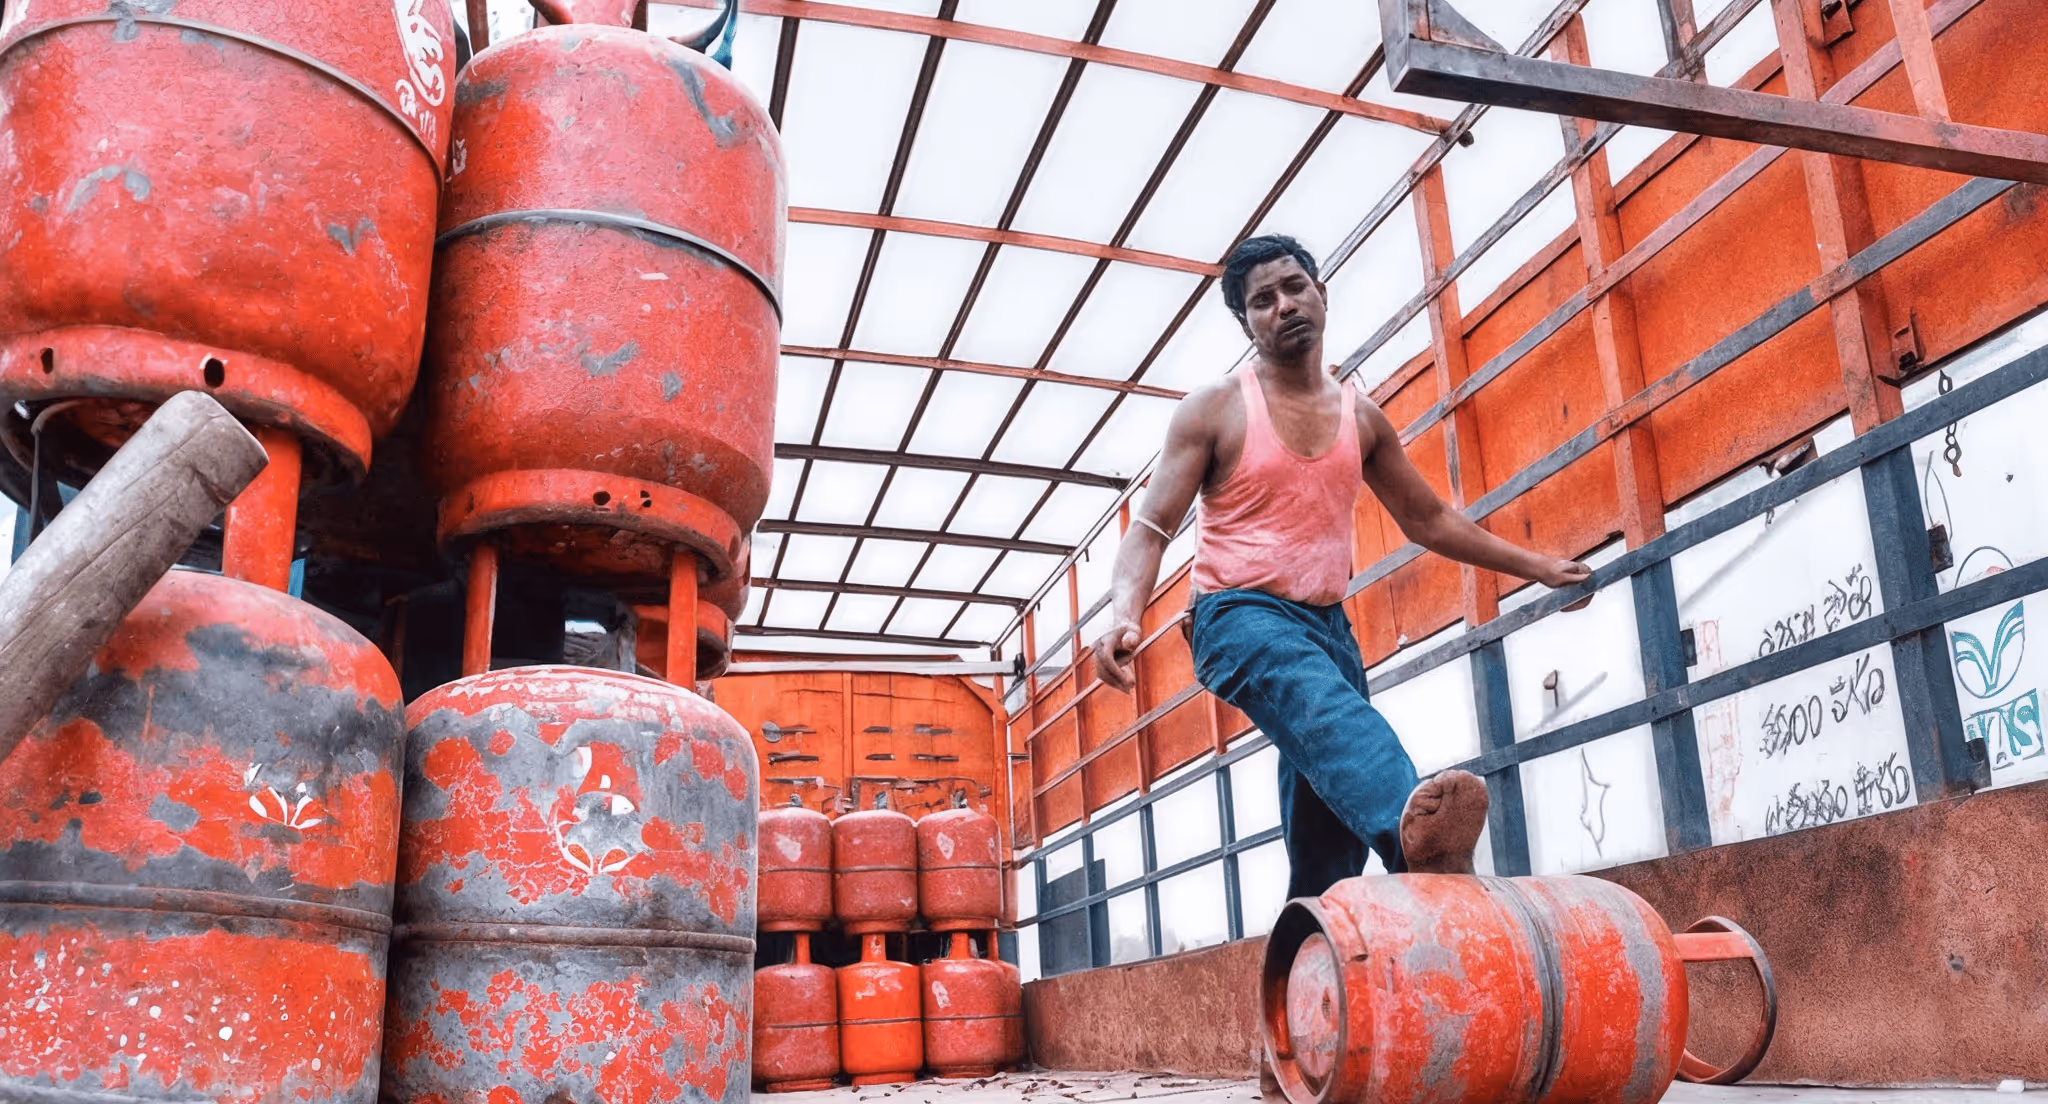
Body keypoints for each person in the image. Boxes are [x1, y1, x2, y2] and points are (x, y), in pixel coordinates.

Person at [1090, 234, 1591, 899]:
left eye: (1295, 287)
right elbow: (1151, 526)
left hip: (1327, 626)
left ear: (1321, 295)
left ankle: (1316, 924)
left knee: (1326, 801)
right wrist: (1123, 615)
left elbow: (1430, 520)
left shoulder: (1363, 419)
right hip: (1236, 616)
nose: (1284, 306)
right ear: (1246, 323)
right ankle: (1422, 847)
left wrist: (1538, 566)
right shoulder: (1216, 408)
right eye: (1262, 301)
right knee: (1329, 715)